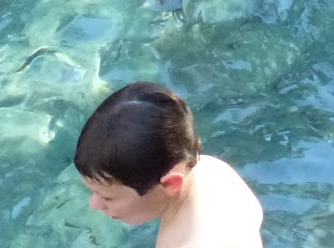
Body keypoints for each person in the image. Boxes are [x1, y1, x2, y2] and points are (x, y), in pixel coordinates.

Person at [76, 81, 264, 248]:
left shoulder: (180, 243)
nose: (94, 204)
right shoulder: (213, 169)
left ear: (170, 184)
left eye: (108, 198)